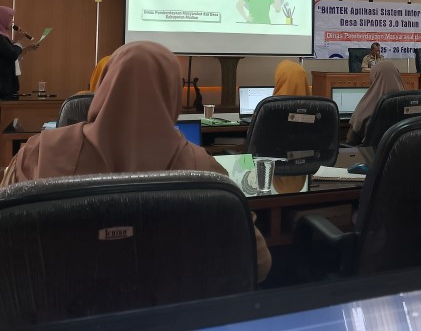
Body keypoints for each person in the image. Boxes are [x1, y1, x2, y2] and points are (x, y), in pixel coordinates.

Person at [0, 41, 272, 282]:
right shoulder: (201, 167)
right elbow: (258, 263)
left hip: (50, 310)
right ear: (173, 94)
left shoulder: (38, 151)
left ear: (103, 86)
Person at [270, 60, 311, 194]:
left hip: (274, 164)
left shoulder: (268, 109)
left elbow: (253, 144)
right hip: (306, 166)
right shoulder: (318, 108)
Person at [346, 61, 404, 145]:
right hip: (401, 152)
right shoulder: (407, 104)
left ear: (374, 77)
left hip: (371, 153)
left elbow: (351, 141)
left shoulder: (364, 109)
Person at [0, 6, 36, 100]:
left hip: (8, 87)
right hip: (3, 89)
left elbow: (7, 55)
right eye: (10, 17)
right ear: (2, 18)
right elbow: (12, 55)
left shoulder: (3, 36)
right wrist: (18, 41)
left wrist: (24, 50)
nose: (12, 21)